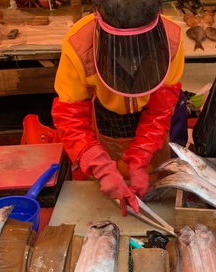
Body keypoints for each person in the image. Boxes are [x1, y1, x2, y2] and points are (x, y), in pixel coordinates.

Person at [52, 0, 186, 216]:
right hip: (107, 119)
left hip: (152, 119)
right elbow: (70, 116)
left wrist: (141, 157)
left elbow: (160, 109)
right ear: (98, 15)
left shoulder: (172, 38)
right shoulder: (78, 44)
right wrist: (100, 166)